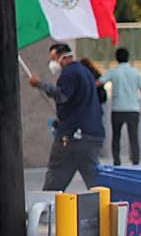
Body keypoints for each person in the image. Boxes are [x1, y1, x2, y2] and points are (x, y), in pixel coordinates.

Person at [30, 44, 104, 191]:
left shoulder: (69, 73)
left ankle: (47, 210)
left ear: (62, 58)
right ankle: (104, 210)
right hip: (92, 136)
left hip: (72, 137)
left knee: (55, 181)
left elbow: (62, 95)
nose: (53, 63)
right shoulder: (85, 72)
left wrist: (39, 84)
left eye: (53, 59)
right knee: (96, 185)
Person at [98, 47, 141, 167]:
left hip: (117, 109)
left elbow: (99, 82)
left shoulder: (113, 72)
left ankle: (117, 160)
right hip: (133, 109)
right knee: (134, 137)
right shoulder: (135, 72)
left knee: (116, 136)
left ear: (116, 58)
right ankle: (135, 161)